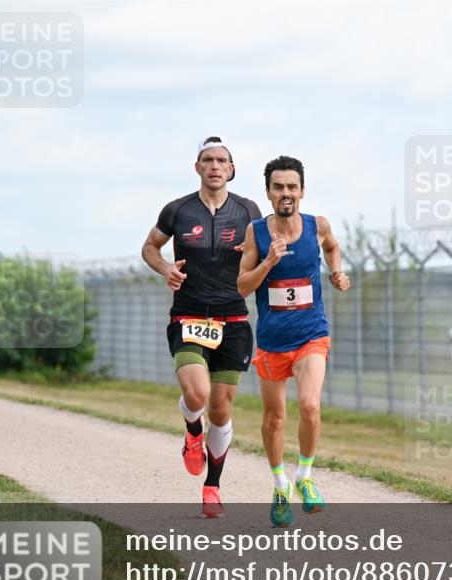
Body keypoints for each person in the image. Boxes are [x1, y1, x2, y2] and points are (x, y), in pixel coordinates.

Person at [141, 136, 262, 518]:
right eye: (207, 159)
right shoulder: (177, 210)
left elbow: (267, 251)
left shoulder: (248, 210)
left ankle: (212, 487)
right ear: (197, 167)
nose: (214, 165)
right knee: (198, 395)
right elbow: (150, 247)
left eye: (221, 160)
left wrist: (255, 253)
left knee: (222, 410)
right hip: (189, 316)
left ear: (231, 169)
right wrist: (166, 269)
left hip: (234, 319)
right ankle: (193, 430)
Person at [237, 155, 350, 527]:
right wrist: (268, 262)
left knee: (310, 406)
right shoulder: (256, 232)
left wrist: (335, 272)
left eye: (292, 186)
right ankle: (280, 485)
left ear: (302, 190)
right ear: (268, 192)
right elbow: (242, 287)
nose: (286, 193)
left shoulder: (318, 225)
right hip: (272, 341)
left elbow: (332, 247)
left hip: (311, 335)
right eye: (278, 187)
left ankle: (305, 477)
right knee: (274, 419)